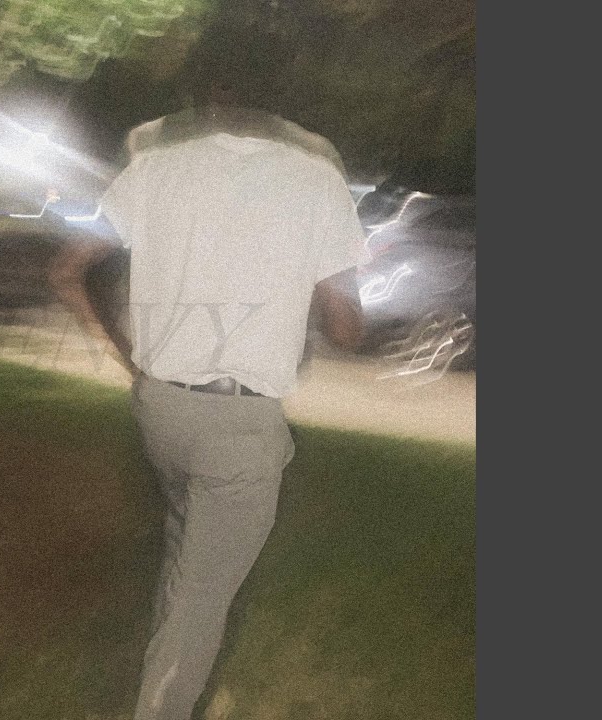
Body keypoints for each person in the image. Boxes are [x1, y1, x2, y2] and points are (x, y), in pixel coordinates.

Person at [48, 49, 370, 720]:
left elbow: (67, 270)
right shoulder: (317, 179)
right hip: (240, 428)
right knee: (201, 601)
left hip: (160, 409)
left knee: (186, 554)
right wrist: (315, 286)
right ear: (278, 105)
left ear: (203, 99)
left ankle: (174, 675)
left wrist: (126, 357)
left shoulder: (155, 168)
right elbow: (347, 331)